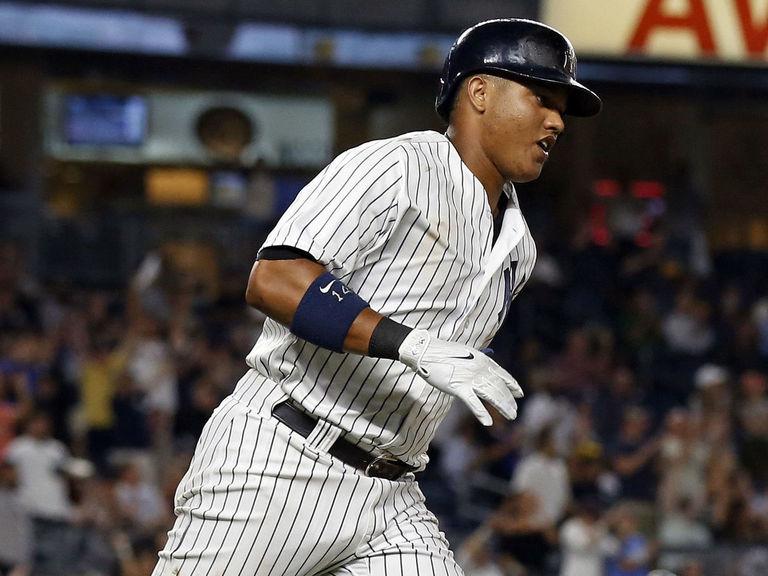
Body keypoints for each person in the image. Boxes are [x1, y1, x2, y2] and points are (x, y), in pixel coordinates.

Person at [153, 17, 601, 576]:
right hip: (281, 461)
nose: (557, 120)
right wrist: (412, 345)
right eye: (541, 97)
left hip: (392, 495)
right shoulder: (397, 166)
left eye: (562, 106)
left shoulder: (521, 249)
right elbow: (274, 278)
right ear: (479, 92)